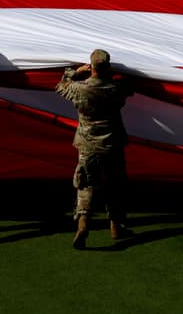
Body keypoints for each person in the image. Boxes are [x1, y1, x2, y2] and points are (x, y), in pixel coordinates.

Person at [55, 49, 135, 249]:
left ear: (91, 67)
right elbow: (130, 87)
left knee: (85, 185)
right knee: (115, 184)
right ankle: (116, 225)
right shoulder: (115, 88)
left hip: (87, 145)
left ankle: (82, 225)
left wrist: (75, 72)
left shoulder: (79, 89)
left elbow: (60, 86)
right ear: (107, 67)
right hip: (112, 144)